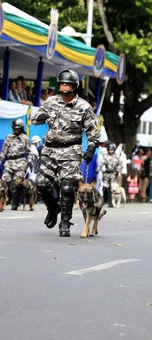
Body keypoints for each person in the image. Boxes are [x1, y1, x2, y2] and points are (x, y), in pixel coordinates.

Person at [32, 69, 99, 237]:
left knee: (68, 187)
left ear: (75, 86)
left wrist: (91, 148)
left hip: (71, 151)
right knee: (41, 183)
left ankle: (65, 222)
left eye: (67, 83)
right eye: (62, 83)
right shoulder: (51, 101)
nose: (63, 85)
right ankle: (53, 208)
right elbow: (35, 117)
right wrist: (40, 117)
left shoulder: (84, 107)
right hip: (50, 150)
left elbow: (93, 131)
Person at [0, 119, 32, 210]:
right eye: (15, 128)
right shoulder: (9, 137)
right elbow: (3, 152)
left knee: (16, 183)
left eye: (18, 129)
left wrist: (29, 161)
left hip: (20, 162)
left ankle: (15, 203)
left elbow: (29, 152)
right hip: (9, 162)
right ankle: (5, 200)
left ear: (21, 129)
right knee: (4, 181)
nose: (16, 130)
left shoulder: (25, 138)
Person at [98, 143, 121, 208]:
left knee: (112, 188)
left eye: (112, 149)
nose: (111, 151)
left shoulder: (116, 157)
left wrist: (117, 170)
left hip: (113, 174)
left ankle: (111, 201)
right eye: (109, 149)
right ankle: (105, 201)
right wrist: (98, 169)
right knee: (105, 188)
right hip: (106, 174)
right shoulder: (105, 156)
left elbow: (120, 164)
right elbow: (101, 163)